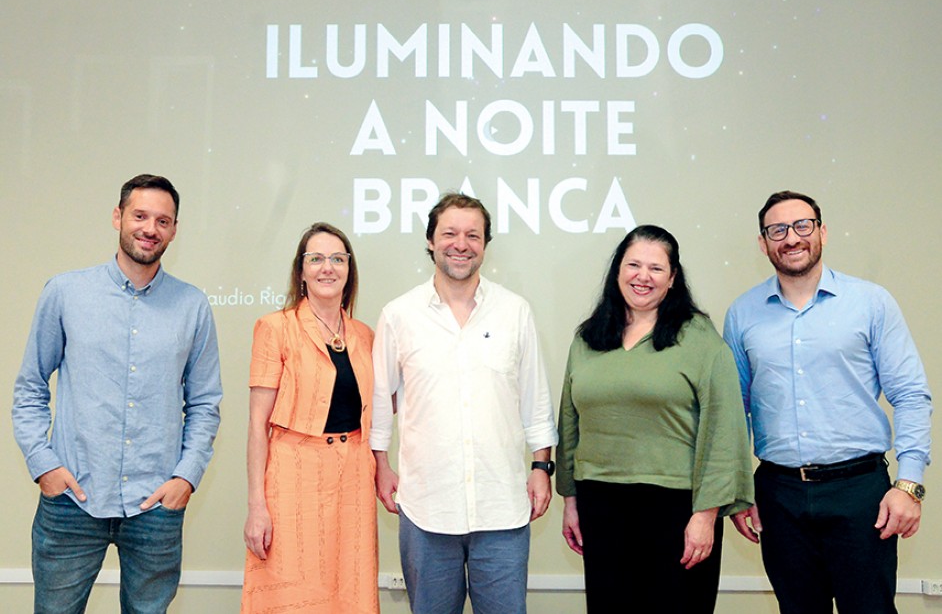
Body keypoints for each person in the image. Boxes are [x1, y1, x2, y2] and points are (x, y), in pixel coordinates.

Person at [12, 174, 222, 614]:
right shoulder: (65, 292)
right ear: (118, 217)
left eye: (162, 220)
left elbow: (204, 404)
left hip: (155, 507)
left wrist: (185, 478)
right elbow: (30, 387)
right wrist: (44, 465)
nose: (150, 228)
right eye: (140, 216)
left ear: (174, 230)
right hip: (71, 501)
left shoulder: (192, 306)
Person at [724, 191, 932, 613]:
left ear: (822, 232)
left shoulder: (871, 302)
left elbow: (911, 394)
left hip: (861, 495)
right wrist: (737, 490)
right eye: (777, 230)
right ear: (763, 243)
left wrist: (909, 486)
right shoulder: (742, 313)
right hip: (778, 497)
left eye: (803, 225)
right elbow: (734, 411)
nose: (791, 238)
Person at [370, 192, 558, 614]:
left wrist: (541, 468)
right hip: (426, 508)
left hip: (503, 507)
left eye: (473, 235)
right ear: (431, 241)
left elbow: (536, 402)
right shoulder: (399, 315)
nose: (461, 243)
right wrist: (381, 465)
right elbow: (381, 401)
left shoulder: (515, 312)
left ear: (485, 245)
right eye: (450, 233)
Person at [556, 224, 754, 614]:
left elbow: (723, 429)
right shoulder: (589, 337)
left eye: (656, 268)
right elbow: (570, 420)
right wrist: (570, 499)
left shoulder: (699, 338)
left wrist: (706, 515)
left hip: (678, 510)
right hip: (600, 505)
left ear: (672, 278)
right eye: (633, 265)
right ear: (617, 271)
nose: (642, 276)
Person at [241, 223, 379, 613]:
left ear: (349, 270)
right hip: (291, 477)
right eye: (315, 259)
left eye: (337, 259)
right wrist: (256, 506)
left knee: (349, 590)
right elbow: (256, 425)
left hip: (353, 476)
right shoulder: (274, 328)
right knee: (292, 594)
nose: (327, 268)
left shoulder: (365, 335)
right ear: (300, 271)